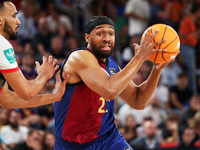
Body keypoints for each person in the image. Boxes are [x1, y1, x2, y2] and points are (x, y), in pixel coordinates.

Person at [54, 16, 168, 150]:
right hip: (74, 145)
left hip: (109, 139)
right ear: (87, 38)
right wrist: (140, 58)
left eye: (111, 33)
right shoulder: (79, 57)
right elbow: (109, 91)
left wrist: (156, 69)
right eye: (100, 33)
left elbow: (138, 101)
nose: (107, 38)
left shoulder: (112, 65)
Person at [0, 0, 69, 109]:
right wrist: (44, 75)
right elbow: (27, 92)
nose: (18, 22)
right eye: (14, 16)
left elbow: (7, 100)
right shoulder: (2, 44)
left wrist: (56, 96)